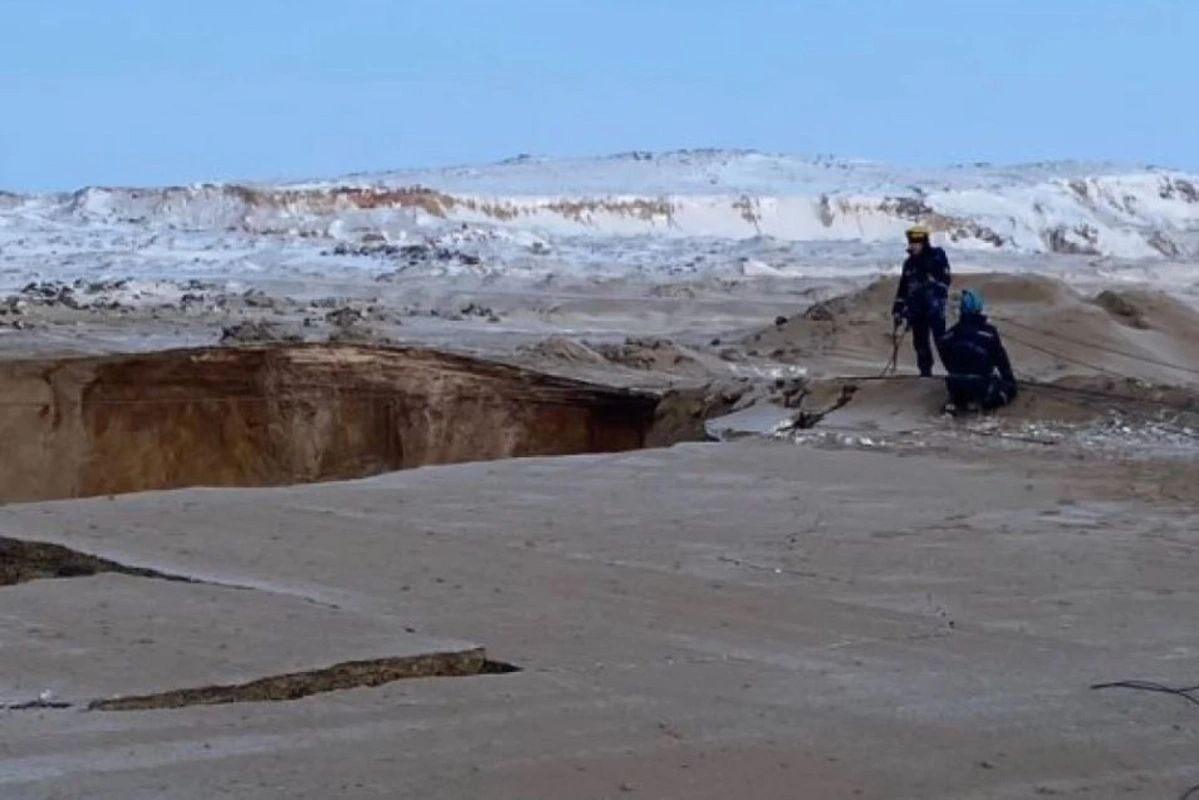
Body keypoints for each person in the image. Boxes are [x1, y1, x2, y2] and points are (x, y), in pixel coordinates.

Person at [938, 289, 1018, 414]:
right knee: (1009, 389)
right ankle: (984, 401)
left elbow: (946, 362)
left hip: (955, 384)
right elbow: (1001, 361)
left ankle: (958, 400)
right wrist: (1009, 381)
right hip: (981, 384)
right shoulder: (990, 333)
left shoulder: (948, 335)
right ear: (979, 308)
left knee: (961, 382)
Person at [891, 225, 952, 377]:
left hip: (935, 310)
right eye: (911, 243)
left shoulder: (937, 257)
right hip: (917, 312)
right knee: (920, 345)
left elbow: (944, 282)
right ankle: (925, 375)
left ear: (924, 242)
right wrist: (898, 308)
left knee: (942, 343)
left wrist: (931, 296)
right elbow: (903, 288)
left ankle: (956, 373)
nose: (913, 246)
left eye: (916, 243)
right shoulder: (909, 264)